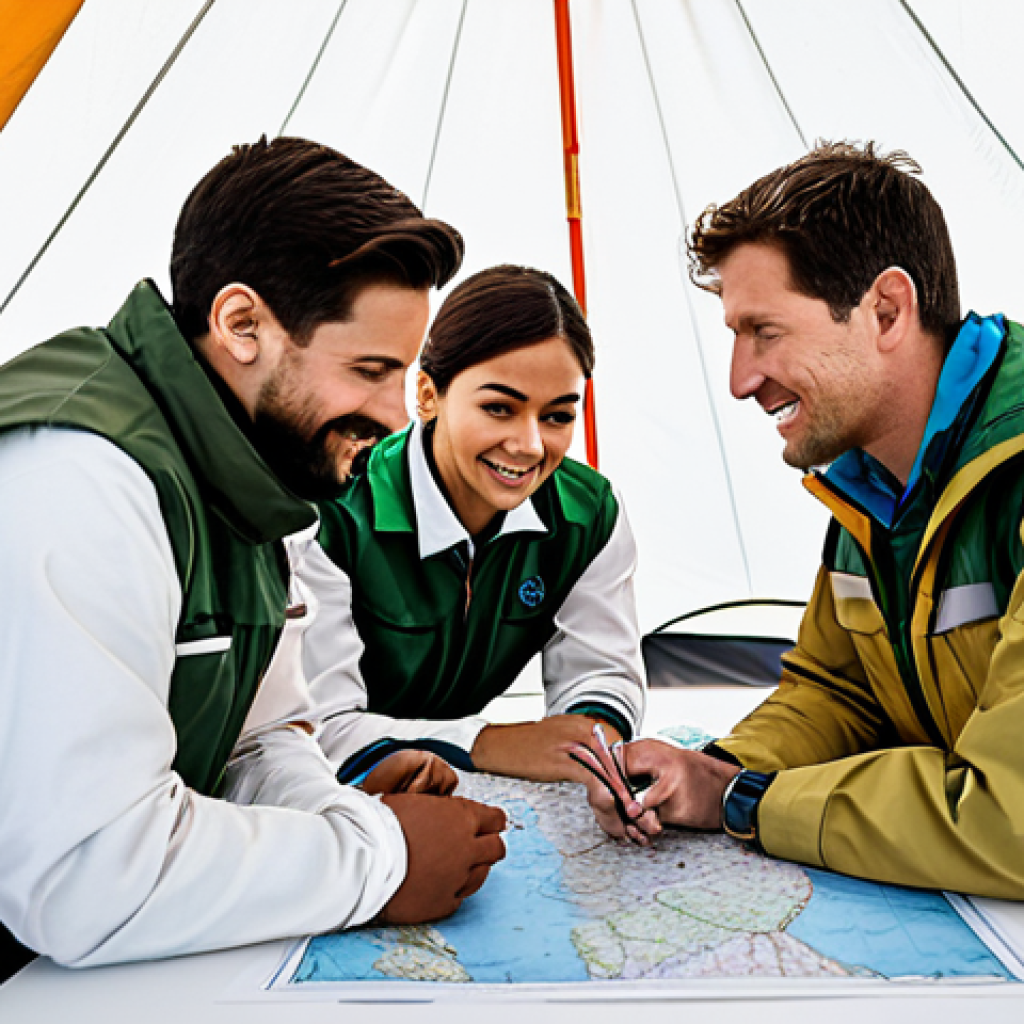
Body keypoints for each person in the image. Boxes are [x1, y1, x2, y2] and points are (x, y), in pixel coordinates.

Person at [0, 137, 507, 977]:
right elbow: (81, 879)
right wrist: (380, 860)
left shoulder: (255, 467)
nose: (395, 415)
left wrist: (337, 816)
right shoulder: (77, 480)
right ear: (242, 325)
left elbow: (258, 738)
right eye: (370, 369)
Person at [583, 141, 1024, 898]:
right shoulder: (866, 484)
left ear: (886, 311)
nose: (740, 379)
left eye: (766, 331)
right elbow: (838, 692)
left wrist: (744, 800)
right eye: (735, 335)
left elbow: (1009, 819)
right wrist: (711, 769)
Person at [292, 265, 645, 785]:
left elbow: (602, 673)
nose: (529, 446)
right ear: (427, 395)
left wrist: (591, 747)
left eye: (557, 416)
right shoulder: (334, 511)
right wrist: (490, 743)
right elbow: (317, 726)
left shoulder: (588, 515)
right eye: (499, 408)